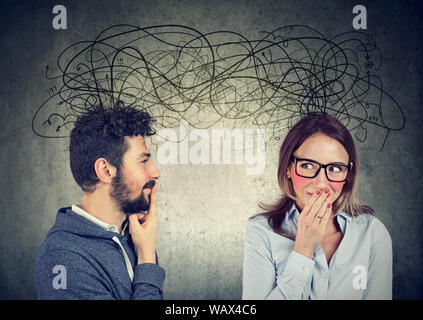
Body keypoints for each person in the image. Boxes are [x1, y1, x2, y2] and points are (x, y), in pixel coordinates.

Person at [242, 113, 392, 300]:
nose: (321, 183)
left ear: (348, 174)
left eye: (335, 169)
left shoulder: (372, 234)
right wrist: (303, 251)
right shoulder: (262, 233)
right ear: (288, 167)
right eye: (307, 166)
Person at [34, 103, 165, 299]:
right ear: (105, 170)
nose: (155, 172)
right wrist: (146, 259)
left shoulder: (135, 236)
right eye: (144, 161)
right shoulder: (62, 258)